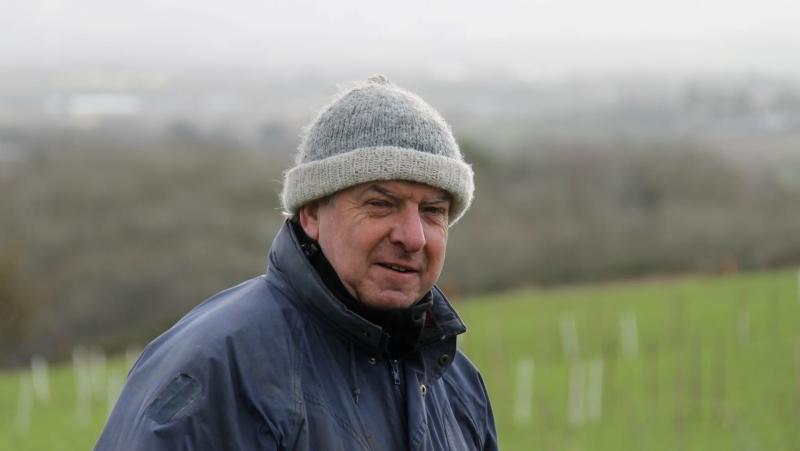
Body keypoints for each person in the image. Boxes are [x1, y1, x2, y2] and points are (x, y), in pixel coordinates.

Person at [95, 75, 498, 450]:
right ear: (311, 214)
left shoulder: (458, 387)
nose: (412, 237)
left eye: (433, 211)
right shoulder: (215, 371)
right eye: (380, 204)